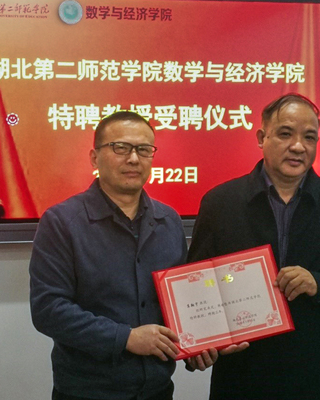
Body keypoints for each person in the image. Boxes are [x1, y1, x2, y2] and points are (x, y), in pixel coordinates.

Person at [187, 93, 320, 399]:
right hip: (239, 382)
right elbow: (195, 288)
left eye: (309, 137)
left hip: (315, 383)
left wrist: (319, 283)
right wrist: (197, 348)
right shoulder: (221, 203)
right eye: (285, 134)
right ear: (261, 138)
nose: (298, 146)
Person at [30, 111, 196, 400]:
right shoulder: (62, 222)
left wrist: (200, 344)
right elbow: (49, 310)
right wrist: (126, 338)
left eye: (144, 150)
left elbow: (180, 302)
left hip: (157, 390)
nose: (133, 159)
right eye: (120, 148)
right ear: (94, 158)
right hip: (88, 392)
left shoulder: (168, 221)